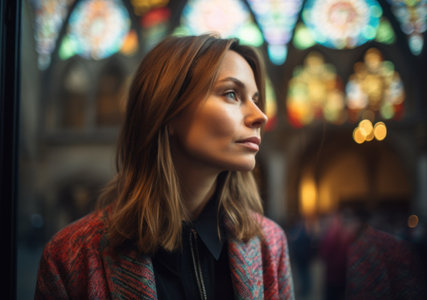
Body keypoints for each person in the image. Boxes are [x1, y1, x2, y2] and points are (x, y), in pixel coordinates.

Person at [35, 34, 294, 299]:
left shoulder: (269, 246)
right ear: (168, 111)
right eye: (231, 94)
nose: (260, 116)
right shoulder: (71, 257)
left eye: (255, 98)